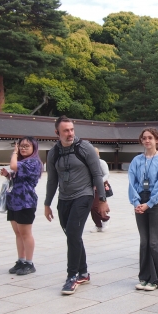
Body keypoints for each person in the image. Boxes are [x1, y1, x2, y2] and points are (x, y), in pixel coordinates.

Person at [44, 116, 109, 295]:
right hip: (64, 199)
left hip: (84, 195)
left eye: (72, 129)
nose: (70, 133)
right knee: (72, 235)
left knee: (73, 233)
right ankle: (84, 272)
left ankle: (72, 276)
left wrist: (102, 200)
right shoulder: (53, 153)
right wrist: (47, 203)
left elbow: (97, 175)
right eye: (66, 130)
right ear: (57, 132)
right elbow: (52, 180)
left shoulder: (85, 148)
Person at [128, 127, 158, 292]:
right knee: (144, 242)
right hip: (140, 200)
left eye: (150, 138)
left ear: (156, 140)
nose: (147, 141)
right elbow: (131, 182)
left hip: (155, 202)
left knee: (153, 242)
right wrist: (136, 202)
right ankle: (144, 277)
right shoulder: (136, 160)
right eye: (144, 138)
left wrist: (150, 203)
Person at [2, 137, 42, 276]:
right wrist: (8, 175)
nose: (23, 148)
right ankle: (21, 260)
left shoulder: (33, 162)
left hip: (26, 201)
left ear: (33, 148)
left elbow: (13, 166)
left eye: (26, 146)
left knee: (25, 233)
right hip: (14, 201)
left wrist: (14, 153)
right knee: (18, 233)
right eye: (21, 146)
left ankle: (29, 263)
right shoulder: (23, 162)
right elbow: (16, 175)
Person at [90, 147, 111, 233]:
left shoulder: (101, 163)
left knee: (95, 206)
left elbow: (106, 174)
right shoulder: (88, 163)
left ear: (98, 154)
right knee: (91, 207)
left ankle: (105, 219)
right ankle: (98, 224)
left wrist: (98, 182)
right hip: (89, 187)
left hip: (100, 187)